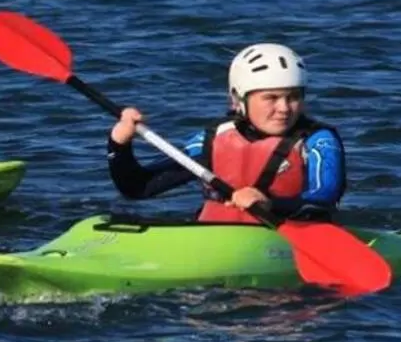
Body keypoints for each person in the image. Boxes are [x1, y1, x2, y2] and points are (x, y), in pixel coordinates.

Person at [107, 43, 346, 223]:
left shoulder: (318, 141)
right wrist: (120, 145)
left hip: (290, 236)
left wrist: (270, 204)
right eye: (271, 98)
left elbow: (323, 199)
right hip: (214, 237)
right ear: (237, 99)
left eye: (293, 97)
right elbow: (137, 187)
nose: (284, 108)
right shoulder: (213, 140)